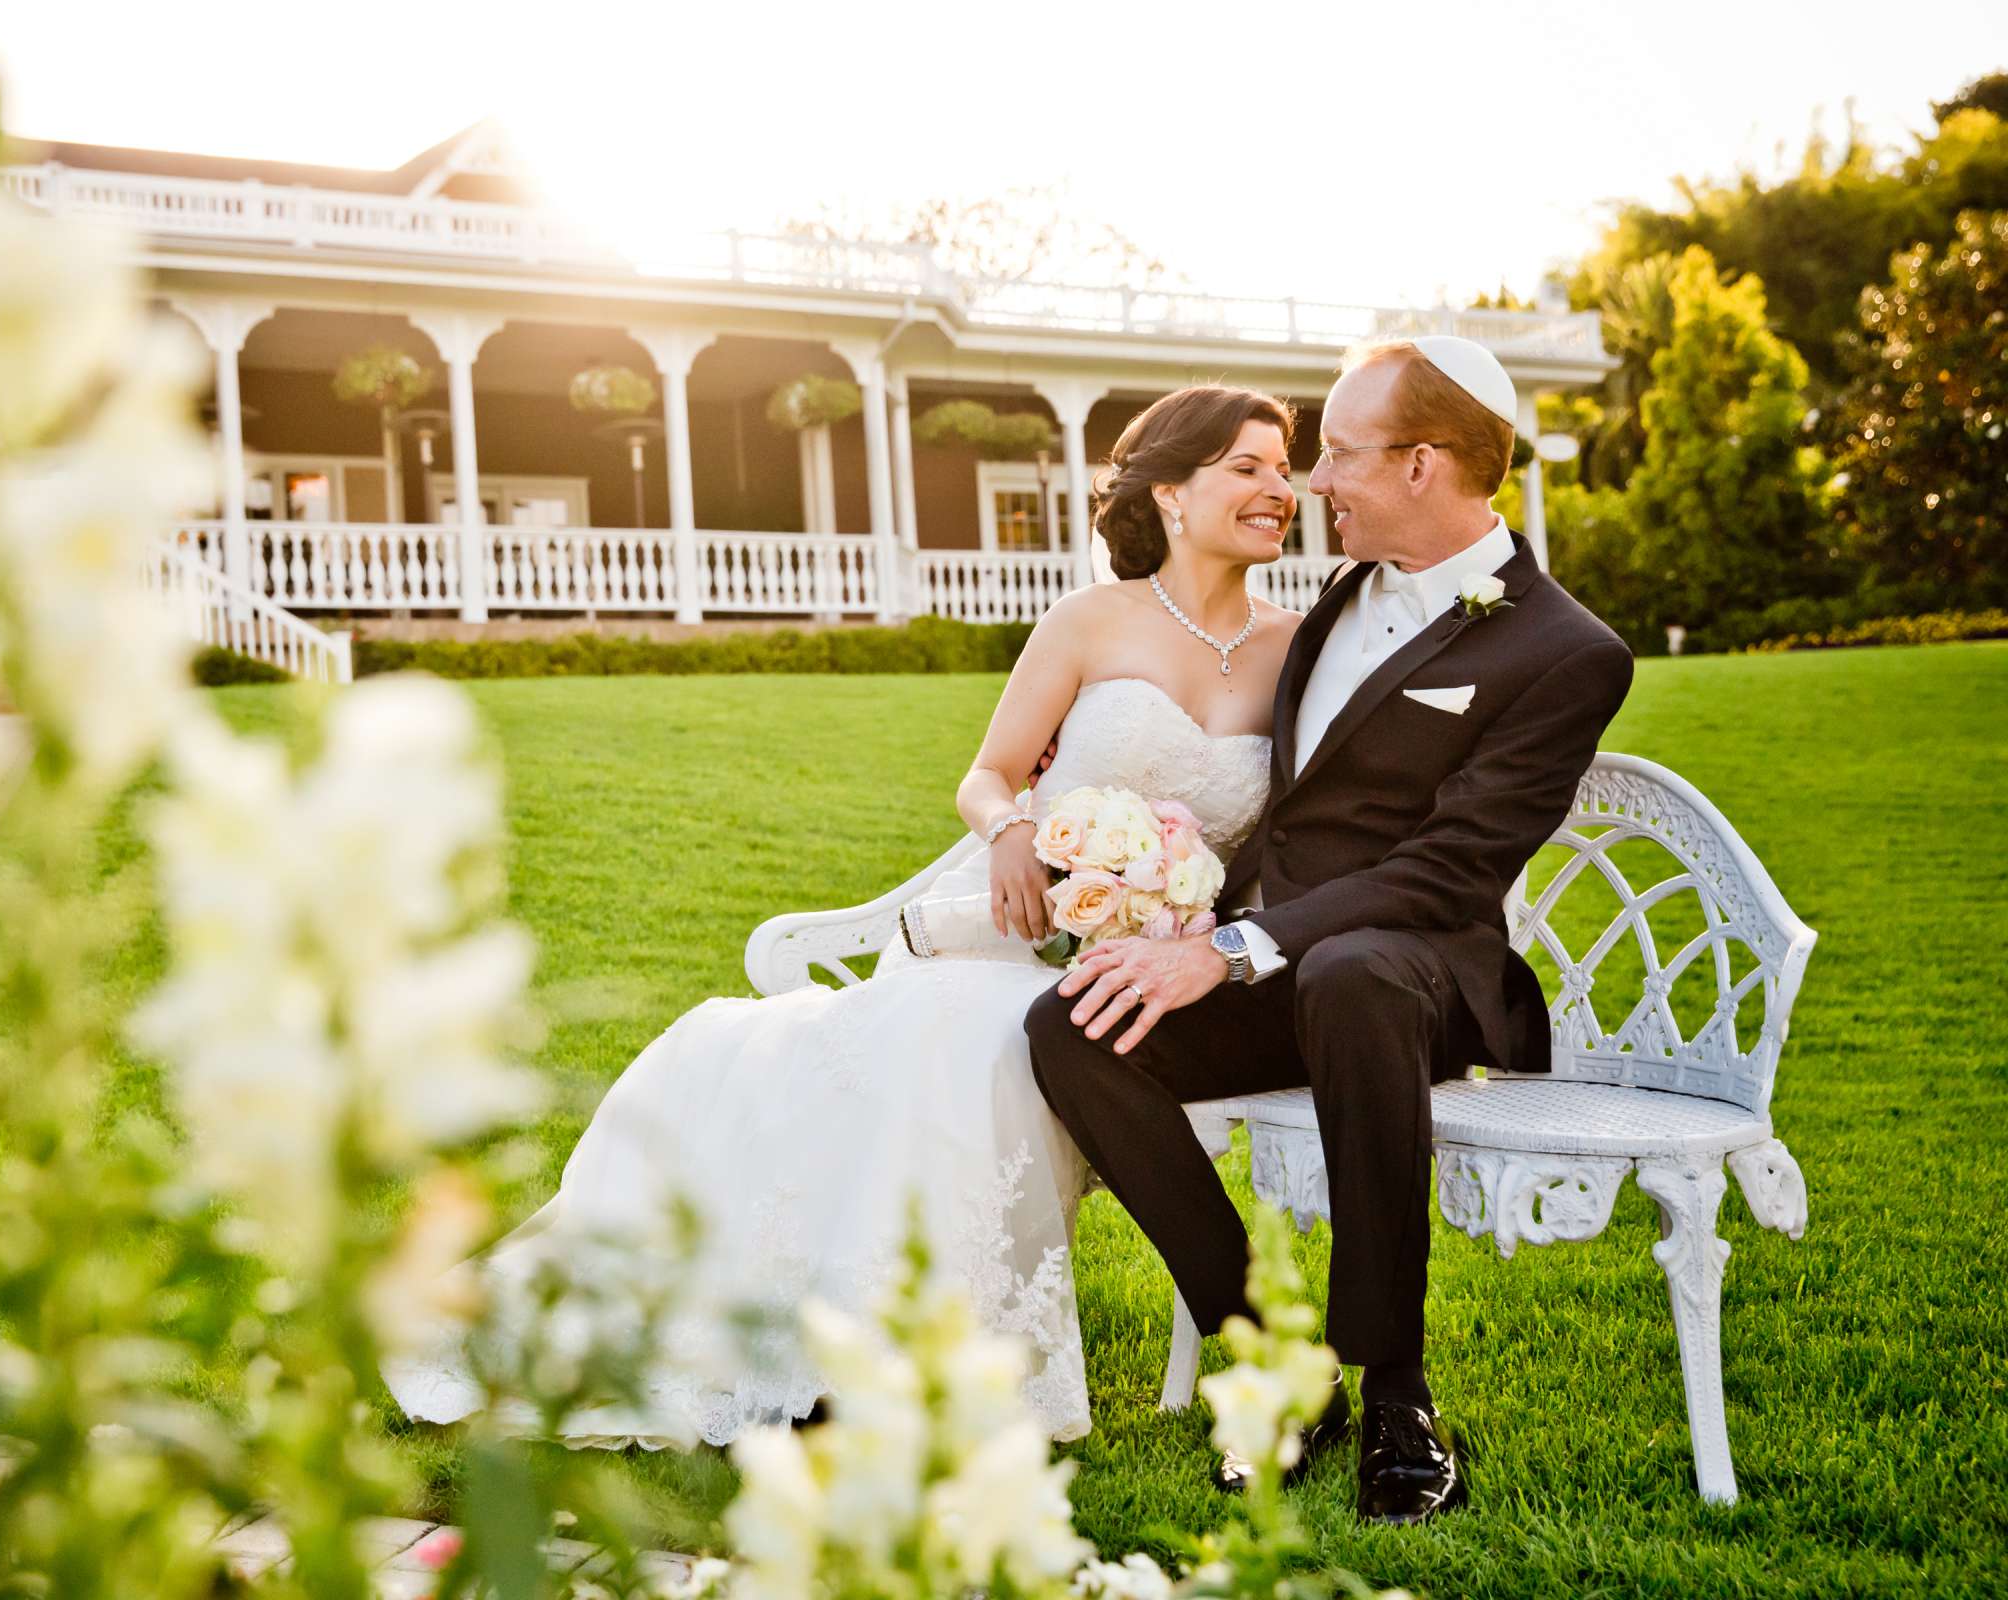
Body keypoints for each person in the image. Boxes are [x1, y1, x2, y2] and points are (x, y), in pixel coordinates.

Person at [384, 384, 1303, 1448]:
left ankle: (901, 1352)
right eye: (1249, 466)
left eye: (1285, 468)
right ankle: (849, 1357)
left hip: (1170, 974)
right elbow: (988, 774)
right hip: (1023, 936)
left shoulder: (1297, 649)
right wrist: (1010, 829)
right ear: (1174, 493)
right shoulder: (1090, 621)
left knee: (1002, 1043)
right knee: (958, 1034)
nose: (1278, 489)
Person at [1025, 336, 1635, 1524]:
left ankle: (1398, 1391)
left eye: (1340, 455)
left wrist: (1236, 949)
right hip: (1284, 960)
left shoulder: (1568, 651)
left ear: (1421, 465)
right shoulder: (1339, 600)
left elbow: (1450, 865)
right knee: (1076, 1023)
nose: (1313, 484)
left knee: (1354, 972)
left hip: (1425, 973)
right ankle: (1272, 1361)